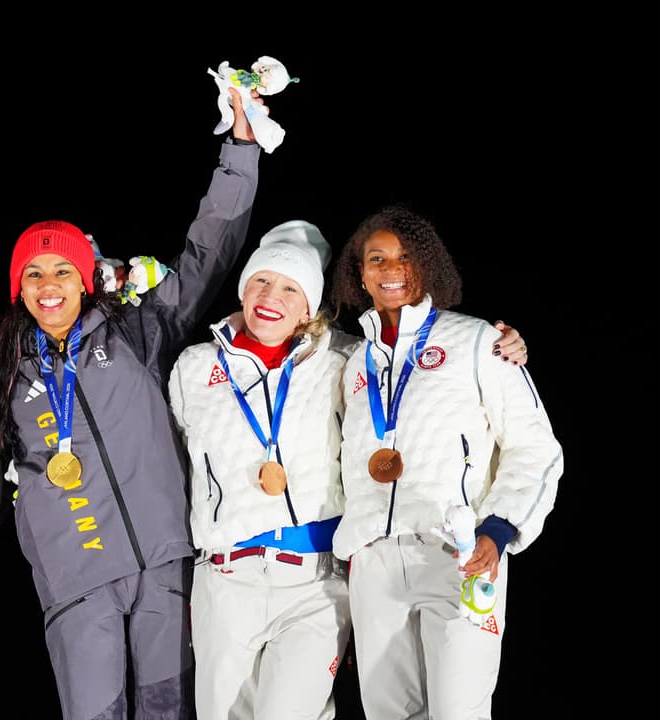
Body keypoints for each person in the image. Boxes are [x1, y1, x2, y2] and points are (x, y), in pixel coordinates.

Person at [167, 219, 531, 719]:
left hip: (344, 574)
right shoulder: (196, 368)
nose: (271, 296)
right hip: (241, 575)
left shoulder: (349, 356)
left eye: (291, 288)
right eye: (261, 281)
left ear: (309, 307)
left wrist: (505, 344)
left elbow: (526, 443)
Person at [0, 83, 265, 720]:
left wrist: (240, 152)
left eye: (62, 271)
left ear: (87, 279)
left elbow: (206, 255)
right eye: (33, 273)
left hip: (164, 562)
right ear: (17, 287)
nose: (49, 285)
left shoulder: (139, 331)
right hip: (75, 578)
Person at [328, 204, 562, 720]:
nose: (392, 269)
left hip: (457, 551)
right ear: (360, 273)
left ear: (426, 264)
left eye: (405, 257)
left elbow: (535, 447)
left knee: (459, 710)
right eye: (377, 258)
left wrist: (499, 528)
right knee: (389, 713)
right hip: (374, 563)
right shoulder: (351, 363)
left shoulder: (477, 341)